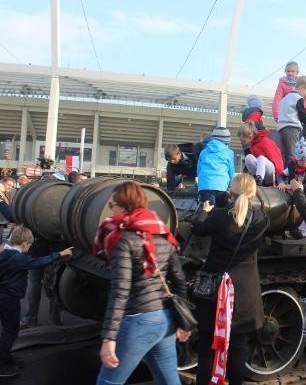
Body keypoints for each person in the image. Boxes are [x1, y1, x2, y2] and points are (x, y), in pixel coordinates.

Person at [93, 181, 189, 385]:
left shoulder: (123, 239)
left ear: (123, 205)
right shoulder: (162, 232)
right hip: (165, 318)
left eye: (112, 205)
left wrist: (109, 338)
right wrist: (182, 321)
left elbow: (120, 291)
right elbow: (179, 279)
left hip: (139, 319)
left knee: (108, 382)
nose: (110, 211)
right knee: (169, 380)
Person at [191, 174, 269, 385]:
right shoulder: (261, 219)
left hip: (215, 290)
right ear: (253, 193)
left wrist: (203, 211)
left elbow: (199, 226)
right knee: (238, 348)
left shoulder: (219, 216)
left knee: (208, 348)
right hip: (243, 293)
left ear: (230, 192)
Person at [0, 225, 72, 378]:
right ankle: (1, 363)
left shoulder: (5, 253)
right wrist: (59, 254)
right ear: (24, 243)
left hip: (3, 298)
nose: (30, 247)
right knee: (10, 331)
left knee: (7, 329)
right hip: (10, 299)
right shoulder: (18, 258)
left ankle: (6, 357)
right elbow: (38, 262)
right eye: (30, 245)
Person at [277, 75, 306, 163]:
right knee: (293, 154)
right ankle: (292, 175)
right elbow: (302, 114)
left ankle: (285, 173)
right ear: (301, 87)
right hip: (292, 128)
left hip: (281, 129)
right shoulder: (298, 98)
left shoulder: (284, 99)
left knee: (285, 155)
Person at [197, 127, 235, 208]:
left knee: (208, 211)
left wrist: (201, 184)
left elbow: (198, 170)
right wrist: (231, 186)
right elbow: (231, 172)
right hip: (222, 186)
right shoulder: (229, 153)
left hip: (205, 186)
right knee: (222, 211)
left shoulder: (203, 152)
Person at [237, 122, 284, 187]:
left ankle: (259, 180)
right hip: (262, 171)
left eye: (243, 141)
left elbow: (277, 161)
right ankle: (256, 179)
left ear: (250, 137)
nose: (242, 144)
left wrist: (280, 180)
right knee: (248, 157)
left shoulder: (265, 142)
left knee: (261, 158)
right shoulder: (253, 146)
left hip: (272, 174)